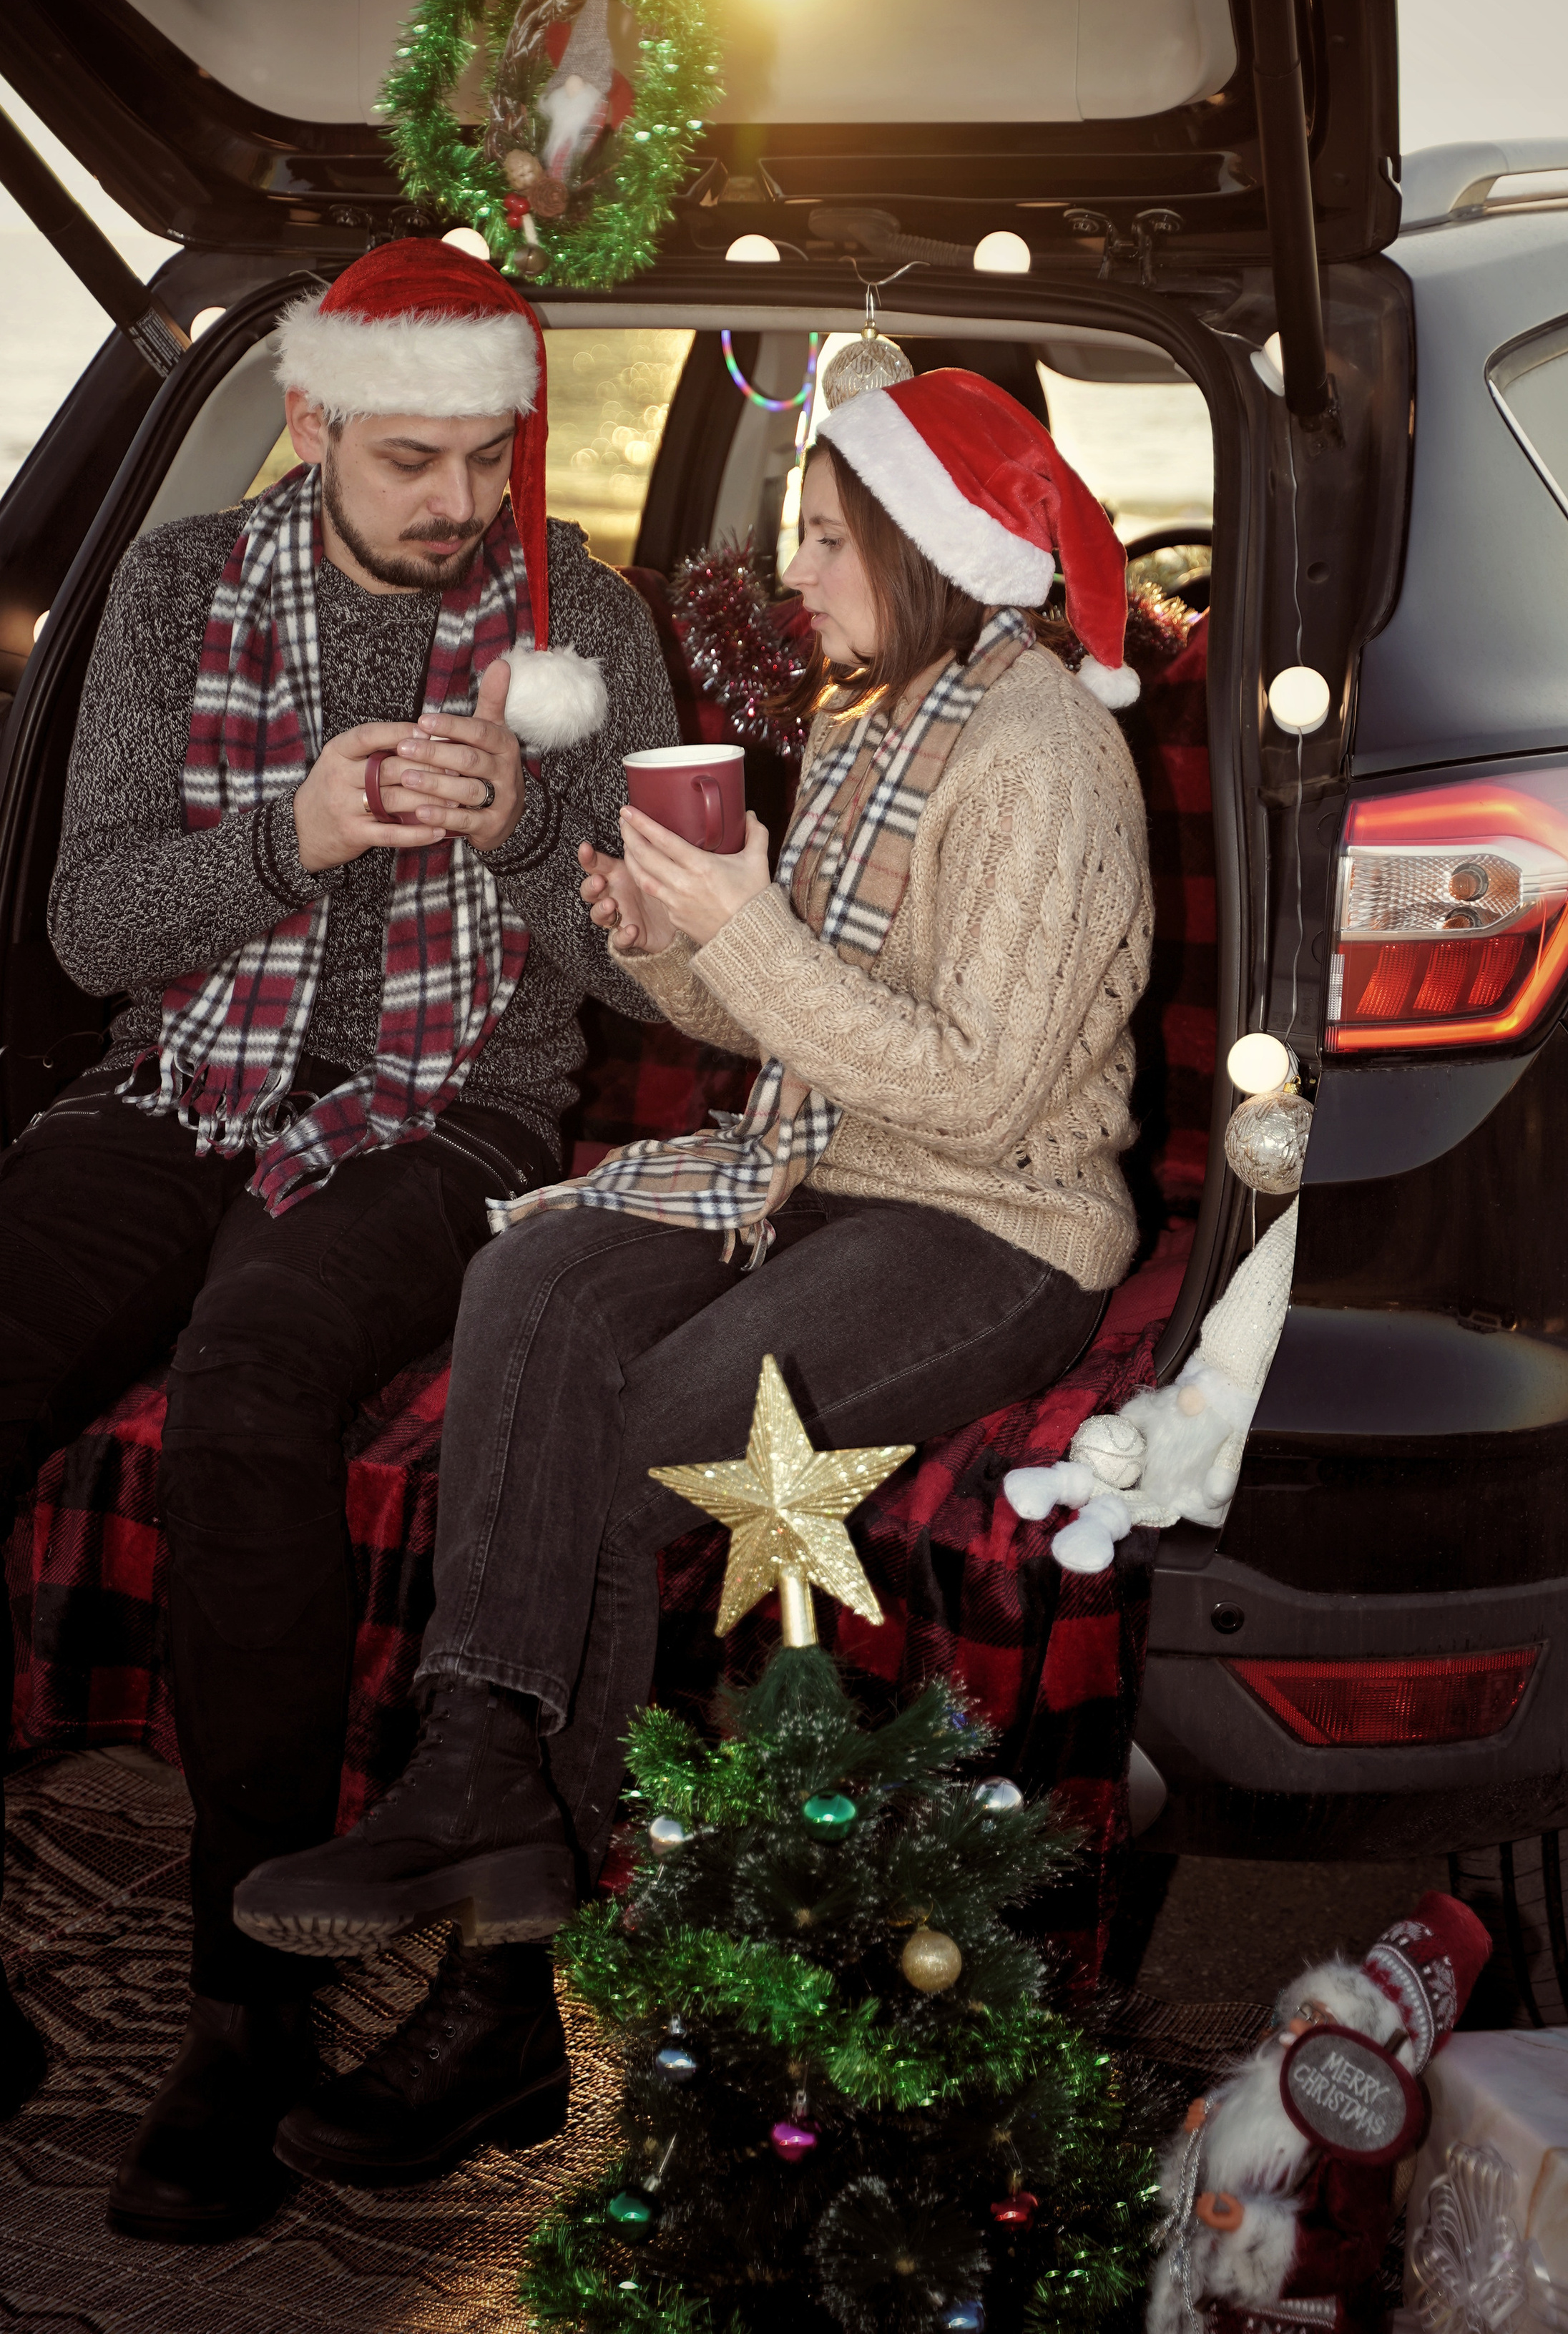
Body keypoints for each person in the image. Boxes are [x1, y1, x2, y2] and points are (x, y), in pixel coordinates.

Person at [0, 241, 680, 2252]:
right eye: (411, 461)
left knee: (249, 1393)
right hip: (181, 1076)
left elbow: (650, 968)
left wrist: (526, 837)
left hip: (448, 1109)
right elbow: (93, 929)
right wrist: (297, 834)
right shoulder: (181, 591)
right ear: (309, 424)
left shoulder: (584, 625)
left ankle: (245, 2013)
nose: (459, 503)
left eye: (489, 457)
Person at [232, 365, 1157, 2190]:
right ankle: (478, 1771)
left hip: (996, 1216)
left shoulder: (1042, 754)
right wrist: (667, 944)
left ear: (924, 549)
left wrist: (743, 926)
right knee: (535, 1282)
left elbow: (978, 1091)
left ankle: (494, 2001)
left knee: (640, 1433)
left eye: (822, 539)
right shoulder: (879, 717)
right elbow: (791, 1022)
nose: (791, 572)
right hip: (812, 1165)